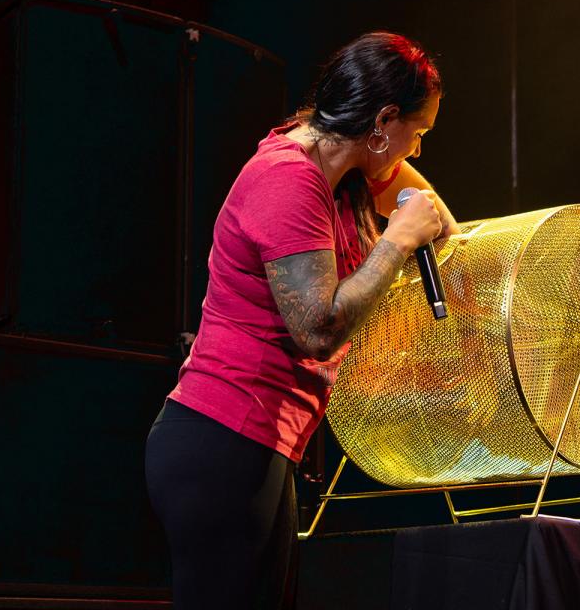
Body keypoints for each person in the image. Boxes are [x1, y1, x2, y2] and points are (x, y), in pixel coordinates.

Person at [145, 31, 456, 609]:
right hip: (224, 436)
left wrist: (423, 221)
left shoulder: (341, 168)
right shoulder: (286, 178)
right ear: (384, 119)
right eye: (418, 133)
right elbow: (316, 330)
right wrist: (396, 242)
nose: (416, 152)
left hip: (262, 441)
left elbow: (435, 216)